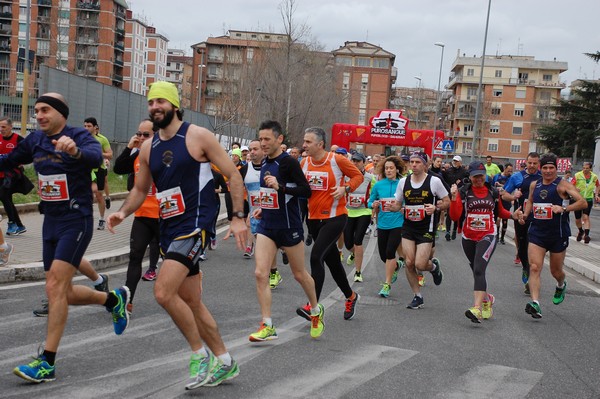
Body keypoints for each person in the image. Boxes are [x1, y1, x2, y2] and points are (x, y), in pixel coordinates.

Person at [107, 81, 247, 389]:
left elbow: (233, 175)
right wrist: (122, 211)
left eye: (160, 101)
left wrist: (237, 217)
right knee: (192, 302)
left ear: (174, 105)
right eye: (151, 102)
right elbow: (140, 190)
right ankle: (225, 362)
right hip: (169, 228)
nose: (155, 106)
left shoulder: (197, 136)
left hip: (195, 224)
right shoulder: (148, 147)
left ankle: (200, 355)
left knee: (162, 292)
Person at [1, 93, 129, 383]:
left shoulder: (79, 136)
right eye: (36, 111)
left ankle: (47, 362)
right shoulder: (35, 141)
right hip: (50, 222)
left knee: (55, 285)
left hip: (76, 219)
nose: (40, 115)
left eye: (45, 110)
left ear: (61, 113)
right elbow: (8, 160)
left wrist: (75, 152)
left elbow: (96, 157)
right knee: (59, 291)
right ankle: (111, 300)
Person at [248, 120, 323, 341]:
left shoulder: (288, 163)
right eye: (260, 139)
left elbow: (305, 191)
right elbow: (270, 192)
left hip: (289, 227)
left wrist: (280, 187)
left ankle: (316, 309)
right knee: (261, 273)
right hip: (267, 225)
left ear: (279, 140)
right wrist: (264, 206)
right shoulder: (264, 163)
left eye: (267, 139)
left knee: (299, 274)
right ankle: (268, 325)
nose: (262, 143)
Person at [298, 127, 362, 321]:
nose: (304, 145)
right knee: (333, 262)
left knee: (316, 256)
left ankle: (313, 306)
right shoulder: (304, 162)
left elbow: (358, 175)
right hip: (314, 219)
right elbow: (300, 188)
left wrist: (346, 188)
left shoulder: (337, 160)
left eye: (308, 142)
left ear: (320, 144)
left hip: (335, 217)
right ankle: (351, 296)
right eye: (304, 141)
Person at [514, 153, 586, 319]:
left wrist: (564, 209)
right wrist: (525, 215)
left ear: (556, 168)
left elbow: (582, 202)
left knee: (556, 271)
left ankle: (561, 284)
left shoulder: (563, 185)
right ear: (541, 168)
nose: (547, 171)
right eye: (544, 167)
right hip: (537, 233)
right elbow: (531, 201)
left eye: (551, 168)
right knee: (534, 267)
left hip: (557, 235)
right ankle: (535, 303)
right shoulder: (535, 184)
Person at [449, 161, 513, 323]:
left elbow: (501, 212)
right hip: (468, 236)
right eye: (475, 176)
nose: (478, 179)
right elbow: (455, 216)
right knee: (476, 270)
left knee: (478, 269)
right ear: (470, 177)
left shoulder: (493, 192)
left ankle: (476, 308)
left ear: (485, 175)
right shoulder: (464, 192)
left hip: (488, 234)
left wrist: (514, 216)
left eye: (481, 176)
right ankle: (487, 299)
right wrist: (455, 198)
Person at [112, 119, 161, 313]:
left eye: (145, 135)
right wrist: (129, 147)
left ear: (156, 136)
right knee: (135, 257)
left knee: (177, 260)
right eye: (138, 134)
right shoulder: (137, 155)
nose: (140, 138)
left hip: (165, 216)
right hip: (142, 215)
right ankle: (127, 300)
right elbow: (118, 169)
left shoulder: (166, 155)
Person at [392, 151, 450, 309]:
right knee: (409, 263)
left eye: (418, 162)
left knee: (420, 264)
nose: (414, 165)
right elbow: (398, 204)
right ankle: (417, 296)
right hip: (409, 226)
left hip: (426, 227)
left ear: (425, 164)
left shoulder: (434, 181)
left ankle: (434, 268)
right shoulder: (403, 182)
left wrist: (436, 207)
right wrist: (392, 207)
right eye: (412, 162)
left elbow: (447, 201)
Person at [502, 152, 541, 293]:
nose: (532, 166)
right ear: (526, 162)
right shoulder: (516, 177)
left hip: (538, 218)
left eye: (535, 163)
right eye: (529, 163)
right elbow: (504, 194)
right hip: (521, 218)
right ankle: (526, 267)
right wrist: (513, 196)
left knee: (535, 247)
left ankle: (532, 278)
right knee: (522, 247)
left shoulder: (543, 177)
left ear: (538, 164)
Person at [368, 156, 405, 296]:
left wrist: (403, 208)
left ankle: (387, 284)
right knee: (384, 256)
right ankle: (396, 265)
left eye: (391, 168)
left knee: (390, 252)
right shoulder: (378, 185)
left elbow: (408, 201)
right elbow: (370, 202)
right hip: (382, 223)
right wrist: (374, 204)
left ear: (397, 169)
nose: (389, 170)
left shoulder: (402, 184)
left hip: (398, 222)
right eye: (386, 168)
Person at [344, 152, 376, 283]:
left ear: (364, 163)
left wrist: (373, 207)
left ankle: (358, 272)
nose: (355, 163)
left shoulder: (370, 177)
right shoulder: (346, 177)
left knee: (358, 241)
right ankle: (353, 253)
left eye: (358, 161)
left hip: (364, 212)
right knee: (348, 243)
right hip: (348, 212)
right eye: (353, 161)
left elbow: (375, 192)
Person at [83, 117, 113, 230]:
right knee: (87, 194)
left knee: (99, 195)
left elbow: (110, 154)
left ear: (95, 127)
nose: (86, 128)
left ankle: (101, 219)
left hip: (99, 169)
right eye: (85, 126)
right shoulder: (81, 138)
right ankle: (86, 219)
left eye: (89, 126)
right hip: (86, 170)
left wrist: (99, 153)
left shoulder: (102, 139)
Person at [0, 117, 27, 235]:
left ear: (11, 127)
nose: (1, 129)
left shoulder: (18, 139)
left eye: (3, 127)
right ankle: (19, 226)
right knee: (7, 199)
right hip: (0, 173)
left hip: (12, 174)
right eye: (0, 127)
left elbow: (27, 153)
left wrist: (20, 162)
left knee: (3, 194)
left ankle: (12, 224)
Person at [442, 155, 468, 240]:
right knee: (449, 213)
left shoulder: (464, 171)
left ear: (460, 162)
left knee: (458, 214)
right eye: (454, 161)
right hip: (450, 194)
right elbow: (444, 181)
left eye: (456, 161)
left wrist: (461, 183)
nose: (454, 162)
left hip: (460, 195)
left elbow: (467, 182)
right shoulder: (448, 171)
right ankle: (448, 231)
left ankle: (454, 230)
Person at [573, 162, 599, 243]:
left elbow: (598, 185)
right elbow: (571, 185)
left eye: (587, 168)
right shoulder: (577, 175)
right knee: (578, 219)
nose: (585, 170)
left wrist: (597, 194)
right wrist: (575, 189)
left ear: (590, 169)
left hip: (588, 199)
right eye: (584, 168)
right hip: (578, 199)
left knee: (585, 217)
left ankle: (587, 235)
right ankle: (581, 231)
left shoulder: (594, 176)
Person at [492, 163, 513, 244]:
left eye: (511, 171)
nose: (510, 172)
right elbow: (492, 186)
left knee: (505, 219)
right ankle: (496, 236)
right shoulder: (497, 176)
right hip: (498, 200)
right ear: (505, 169)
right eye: (508, 170)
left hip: (506, 201)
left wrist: (501, 186)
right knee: (497, 218)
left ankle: (502, 238)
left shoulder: (511, 178)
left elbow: (510, 188)